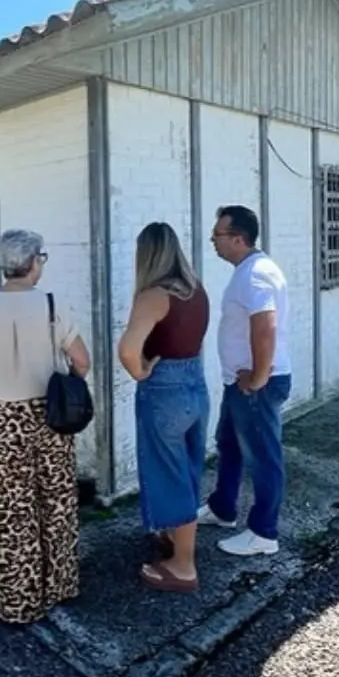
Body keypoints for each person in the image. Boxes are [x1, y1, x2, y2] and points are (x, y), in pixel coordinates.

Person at [0, 229, 91, 624]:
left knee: (10, 508)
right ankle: (60, 584)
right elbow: (82, 362)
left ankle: (17, 602)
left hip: (1, 417)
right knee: (56, 499)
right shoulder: (52, 304)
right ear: (33, 263)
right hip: (50, 415)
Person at [117, 222, 211, 593]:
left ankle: (183, 567)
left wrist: (141, 372)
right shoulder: (197, 291)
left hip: (165, 390)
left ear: (148, 255)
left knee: (168, 473)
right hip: (195, 385)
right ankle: (176, 539)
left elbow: (127, 350)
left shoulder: (154, 296)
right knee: (187, 469)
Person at [200, 204, 292, 556]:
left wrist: (257, 378)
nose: (213, 240)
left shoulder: (256, 274)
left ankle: (263, 533)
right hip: (241, 383)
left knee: (263, 456)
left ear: (238, 238)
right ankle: (223, 508)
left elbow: (264, 327)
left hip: (256, 386)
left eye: (218, 235)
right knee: (230, 445)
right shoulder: (249, 270)